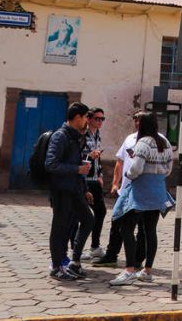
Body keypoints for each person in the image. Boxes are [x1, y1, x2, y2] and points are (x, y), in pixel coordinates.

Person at [108, 112, 175, 286]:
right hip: (158, 189)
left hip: (141, 190)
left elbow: (136, 169)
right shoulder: (165, 142)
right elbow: (169, 169)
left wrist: (128, 174)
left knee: (126, 228)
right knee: (150, 230)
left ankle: (130, 269)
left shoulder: (142, 143)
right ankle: (148, 270)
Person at [44, 102, 94, 281]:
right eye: (86, 117)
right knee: (60, 227)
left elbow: (77, 163)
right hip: (61, 189)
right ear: (78, 117)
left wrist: (85, 186)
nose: (88, 121)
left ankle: (74, 261)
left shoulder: (75, 137)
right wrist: (76, 169)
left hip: (75, 189)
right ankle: (56, 266)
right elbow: (51, 164)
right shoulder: (61, 136)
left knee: (88, 220)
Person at [92, 112, 146, 268]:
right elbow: (120, 161)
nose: (137, 121)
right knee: (117, 222)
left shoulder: (157, 140)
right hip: (125, 190)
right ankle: (111, 255)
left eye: (140, 119)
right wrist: (115, 183)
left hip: (143, 191)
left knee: (142, 228)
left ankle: (137, 260)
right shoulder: (130, 138)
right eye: (135, 118)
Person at [78, 108, 107, 261]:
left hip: (95, 179)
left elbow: (98, 157)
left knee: (101, 212)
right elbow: (76, 155)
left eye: (102, 119)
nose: (100, 122)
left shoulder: (97, 135)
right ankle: (76, 248)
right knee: (80, 216)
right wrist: (89, 155)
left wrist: (100, 173)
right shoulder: (82, 135)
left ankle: (95, 246)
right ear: (88, 119)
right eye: (97, 119)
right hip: (84, 180)